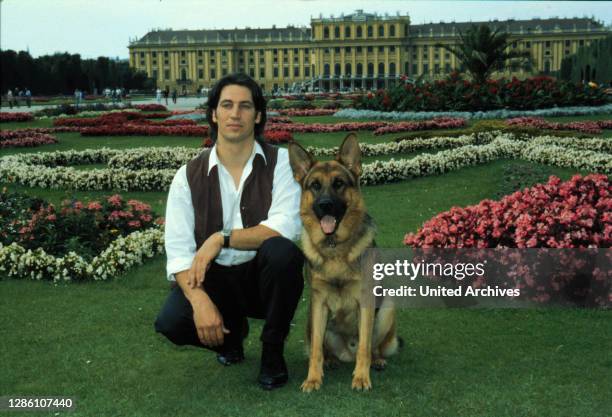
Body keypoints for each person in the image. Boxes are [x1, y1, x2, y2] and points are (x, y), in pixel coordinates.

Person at [154, 73, 304, 390]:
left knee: (283, 254)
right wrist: (199, 302)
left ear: (258, 115)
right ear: (213, 113)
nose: (235, 114)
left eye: (245, 106)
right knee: (171, 322)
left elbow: (284, 227)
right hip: (216, 280)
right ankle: (229, 338)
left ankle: (272, 350)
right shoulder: (187, 175)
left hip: (259, 279)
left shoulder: (280, 163)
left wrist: (221, 238)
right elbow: (179, 254)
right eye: (227, 105)